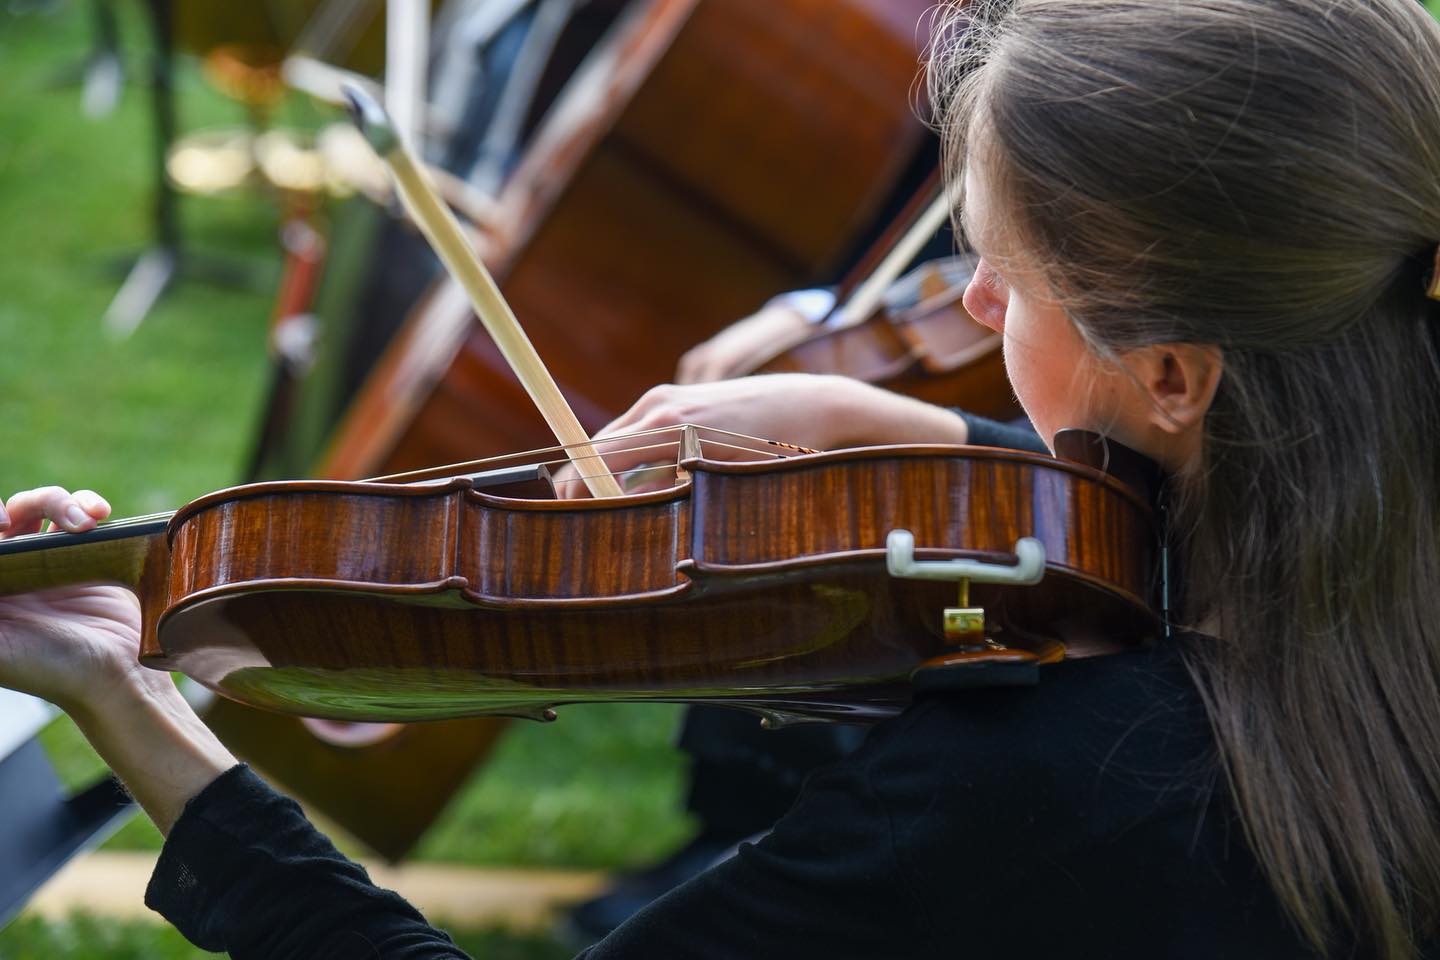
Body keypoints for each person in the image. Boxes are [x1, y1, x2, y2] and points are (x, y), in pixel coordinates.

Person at [5, 0, 1440, 955]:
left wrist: (134, 717)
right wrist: (896, 432)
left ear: (1178, 376)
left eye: (1000, 275)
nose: (975, 312)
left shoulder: (1041, 790)